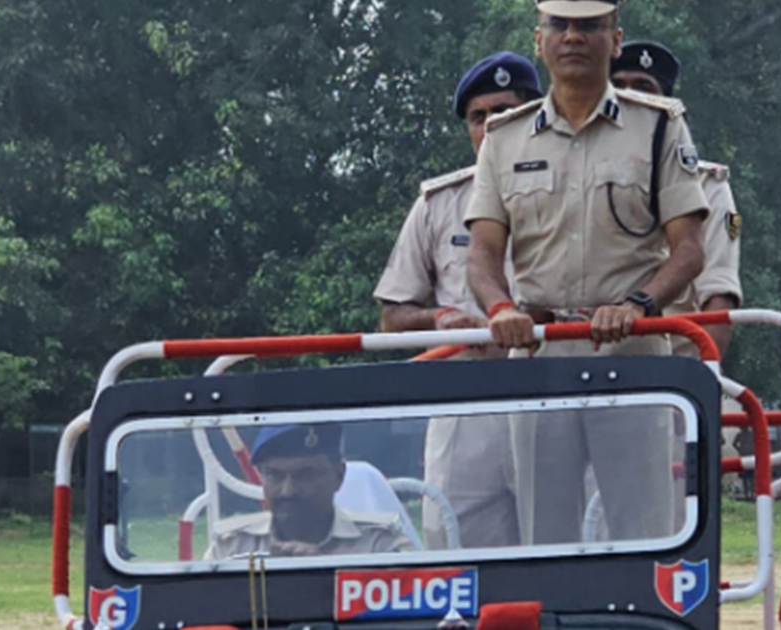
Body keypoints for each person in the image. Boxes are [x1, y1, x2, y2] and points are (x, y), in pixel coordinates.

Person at [465, 0, 709, 544]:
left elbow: (689, 250)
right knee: (544, 536)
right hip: (539, 352)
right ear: (539, 40)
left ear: (615, 40)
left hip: (632, 350)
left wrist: (638, 305)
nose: (573, 37)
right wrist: (500, 309)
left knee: (645, 532)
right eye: (560, 25)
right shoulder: (505, 137)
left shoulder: (658, 126)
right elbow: (481, 253)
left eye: (590, 26)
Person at [373, 52, 544, 550]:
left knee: (561, 548)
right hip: (464, 404)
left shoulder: (570, 192)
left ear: (535, 116)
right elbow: (393, 315)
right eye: (478, 116)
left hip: (551, 398)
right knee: (455, 555)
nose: (490, 126)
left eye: (504, 112)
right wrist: (440, 318)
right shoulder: (438, 203)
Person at [610, 41, 742, 357]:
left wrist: (702, 377)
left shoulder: (707, 186)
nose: (630, 98)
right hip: (584, 362)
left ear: (666, 105)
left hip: (672, 372)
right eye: (619, 88)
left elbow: (718, 300)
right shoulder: (581, 177)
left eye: (643, 88)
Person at [207, 424, 415, 558]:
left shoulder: (380, 545)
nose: (288, 491)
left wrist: (322, 577)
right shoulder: (231, 548)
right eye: (274, 475)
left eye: (306, 476)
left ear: (339, 476)